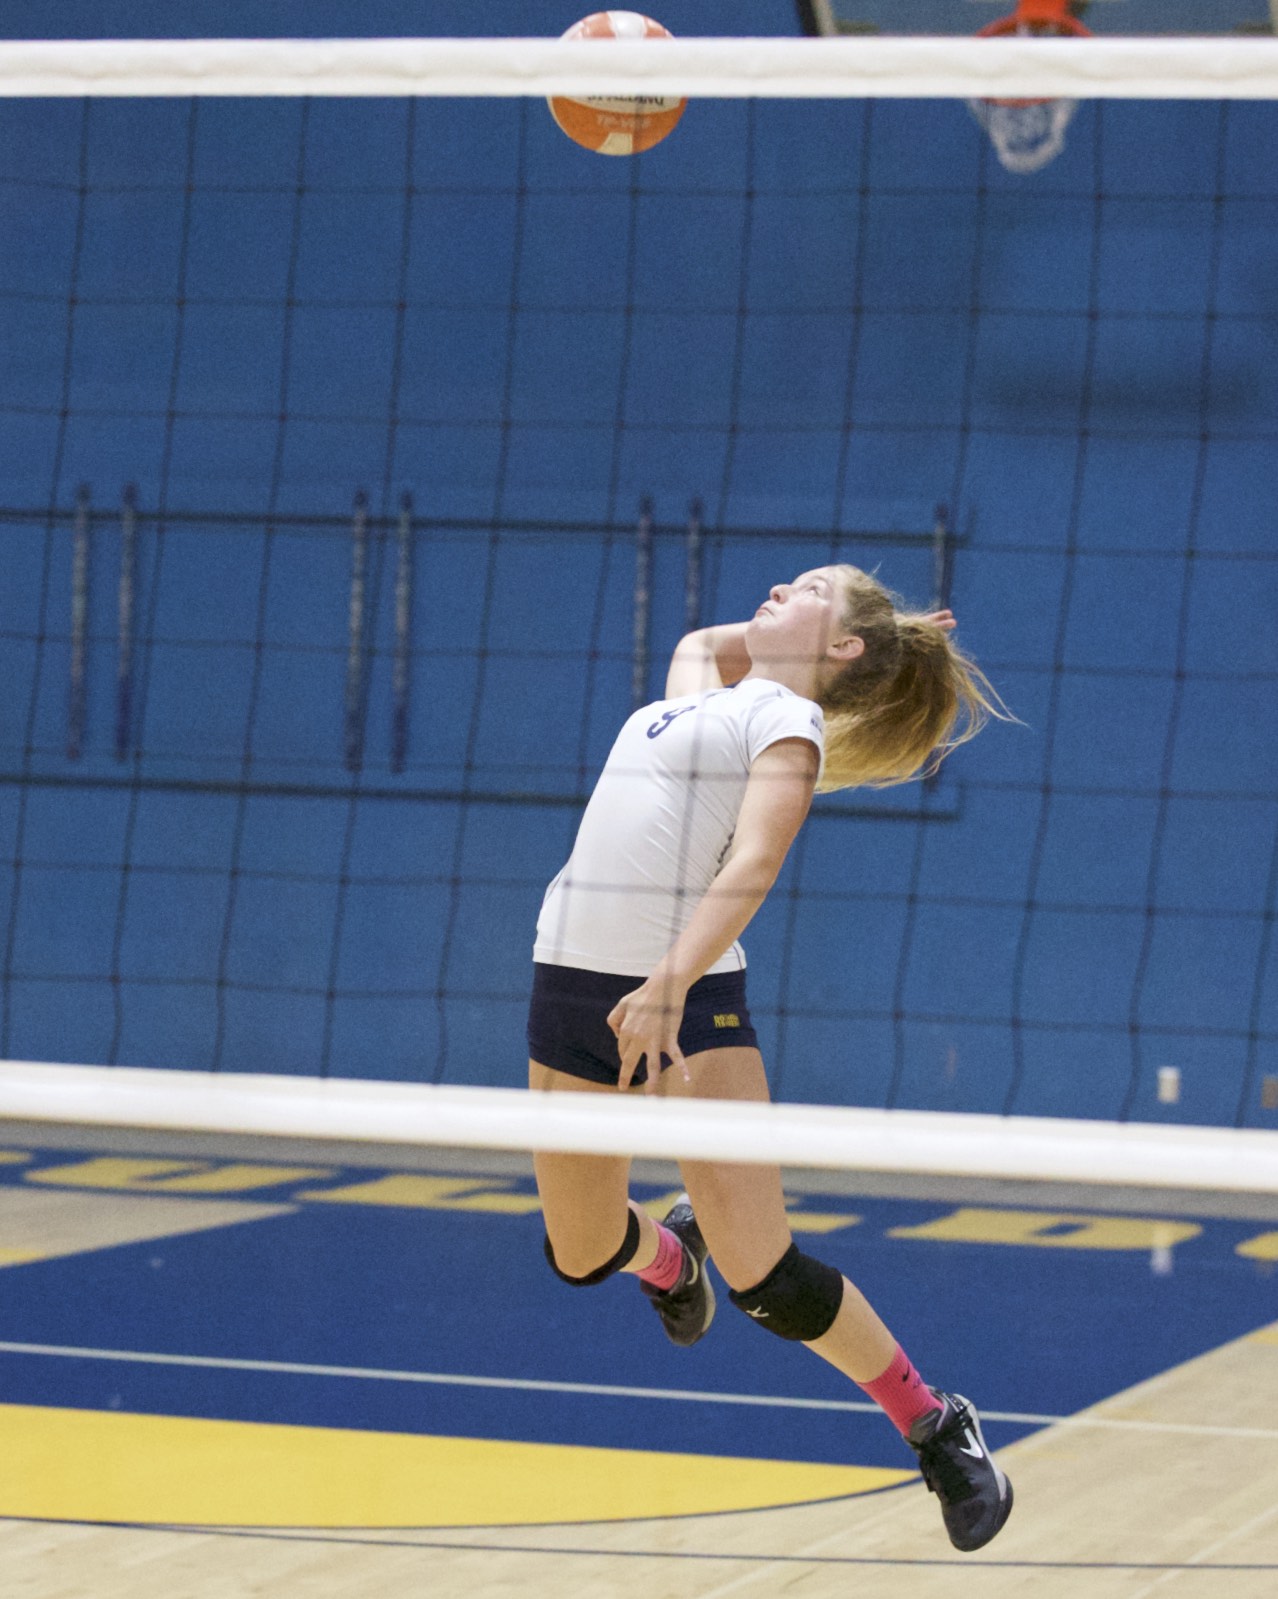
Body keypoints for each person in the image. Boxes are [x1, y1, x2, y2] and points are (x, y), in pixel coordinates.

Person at [527, 563, 1012, 1552]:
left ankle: (933, 1423)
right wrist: (890, 633)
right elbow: (710, 644)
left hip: (687, 997)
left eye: (813, 588)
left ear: (841, 647)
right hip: (571, 982)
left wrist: (670, 978)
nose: (785, 583)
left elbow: (755, 861)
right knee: (580, 1253)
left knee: (766, 1278)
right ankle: (672, 1259)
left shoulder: (787, 724)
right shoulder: (695, 693)